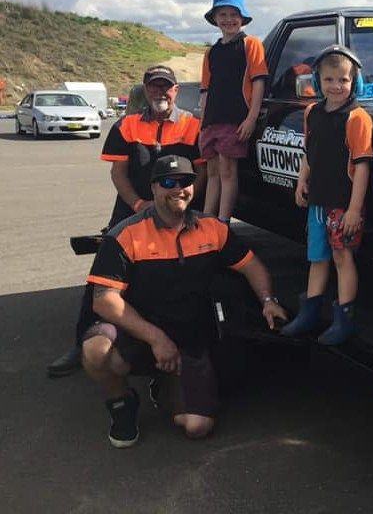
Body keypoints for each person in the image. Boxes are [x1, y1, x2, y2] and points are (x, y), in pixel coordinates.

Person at [82, 154, 286, 447]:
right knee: (96, 351)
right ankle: (122, 406)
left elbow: (251, 265)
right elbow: (104, 301)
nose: (178, 189)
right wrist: (156, 338)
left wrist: (268, 300)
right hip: (139, 333)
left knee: (196, 427)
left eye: (186, 182)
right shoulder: (125, 235)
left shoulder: (213, 228)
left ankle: (163, 383)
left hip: (189, 341)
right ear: (153, 188)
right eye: (168, 182)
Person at [47, 65, 205, 377]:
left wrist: (182, 203)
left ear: (176, 91)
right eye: (154, 87)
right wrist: (139, 204)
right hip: (132, 206)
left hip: (178, 205)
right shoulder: (127, 125)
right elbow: (118, 172)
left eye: (166, 87)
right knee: (101, 276)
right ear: (145, 90)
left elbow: (204, 172)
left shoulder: (192, 125)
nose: (160, 92)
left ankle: (198, 340)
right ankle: (82, 342)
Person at [282, 45, 373, 345]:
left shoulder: (357, 118)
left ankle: (344, 317)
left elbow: (361, 167)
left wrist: (354, 210)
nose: (336, 86)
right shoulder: (312, 113)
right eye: (329, 80)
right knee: (317, 256)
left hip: (343, 204)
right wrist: (300, 182)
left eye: (343, 81)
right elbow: (310, 153)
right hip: (318, 201)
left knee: (341, 255)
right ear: (318, 80)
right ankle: (310, 310)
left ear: (354, 82)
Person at [200, 0, 268, 223]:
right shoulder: (211, 52)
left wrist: (251, 117)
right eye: (223, 14)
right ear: (215, 19)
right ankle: (208, 218)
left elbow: (258, 81)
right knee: (212, 171)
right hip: (212, 120)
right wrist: (202, 122)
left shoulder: (251, 45)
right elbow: (206, 90)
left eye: (233, 14)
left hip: (235, 118)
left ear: (242, 17)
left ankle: (223, 221)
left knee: (228, 169)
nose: (228, 20)